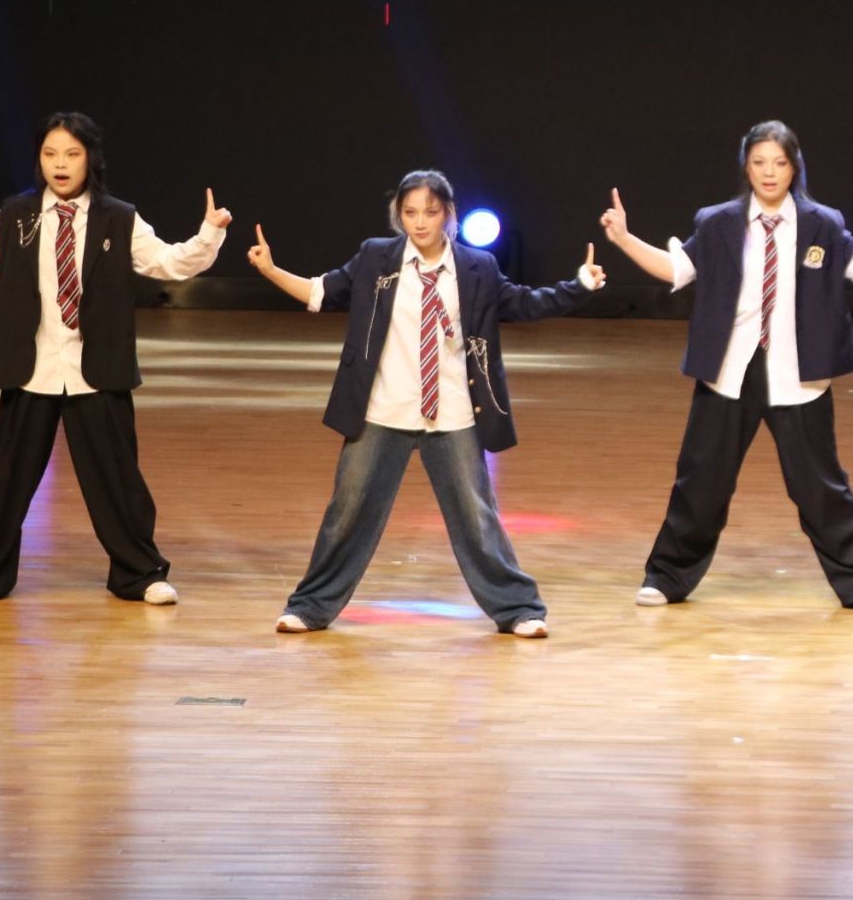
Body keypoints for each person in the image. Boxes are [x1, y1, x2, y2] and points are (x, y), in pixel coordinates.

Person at [599, 120, 853, 614]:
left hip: (797, 373)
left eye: (779, 163)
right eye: (759, 162)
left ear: (794, 167)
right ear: (746, 167)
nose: (769, 172)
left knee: (819, 485)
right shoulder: (717, 222)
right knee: (701, 480)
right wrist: (625, 239)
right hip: (729, 369)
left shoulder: (822, 222)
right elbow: (677, 269)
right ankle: (667, 576)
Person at [0, 111, 229, 604]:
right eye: (50, 154)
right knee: (10, 481)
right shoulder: (17, 214)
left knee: (118, 480)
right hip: (32, 368)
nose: (60, 164)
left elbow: (167, 263)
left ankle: (140, 573)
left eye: (71, 153)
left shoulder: (119, 217)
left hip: (97, 369)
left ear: (90, 159)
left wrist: (209, 233)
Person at [249, 169, 603, 636]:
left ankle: (519, 609)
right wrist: (271, 270)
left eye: (430, 212)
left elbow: (525, 303)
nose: (420, 222)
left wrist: (580, 285)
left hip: (452, 411)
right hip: (383, 409)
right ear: (399, 214)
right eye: (410, 212)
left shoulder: (476, 267)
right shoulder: (377, 257)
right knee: (347, 512)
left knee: (477, 518)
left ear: (448, 214)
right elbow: (322, 292)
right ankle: (310, 607)